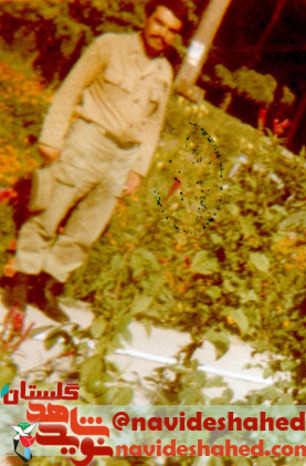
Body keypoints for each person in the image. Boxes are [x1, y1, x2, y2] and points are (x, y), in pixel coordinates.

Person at [5, 0, 188, 321]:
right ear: (147, 18)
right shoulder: (110, 46)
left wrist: (138, 169)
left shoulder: (164, 72)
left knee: (86, 230)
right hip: (88, 142)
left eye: (172, 31)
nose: (163, 34)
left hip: (122, 158)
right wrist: (52, 137)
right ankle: (20, 282)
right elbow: (71, 89)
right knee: (48, 212)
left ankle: (46, 286)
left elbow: (152, 125)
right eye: (159, 23)